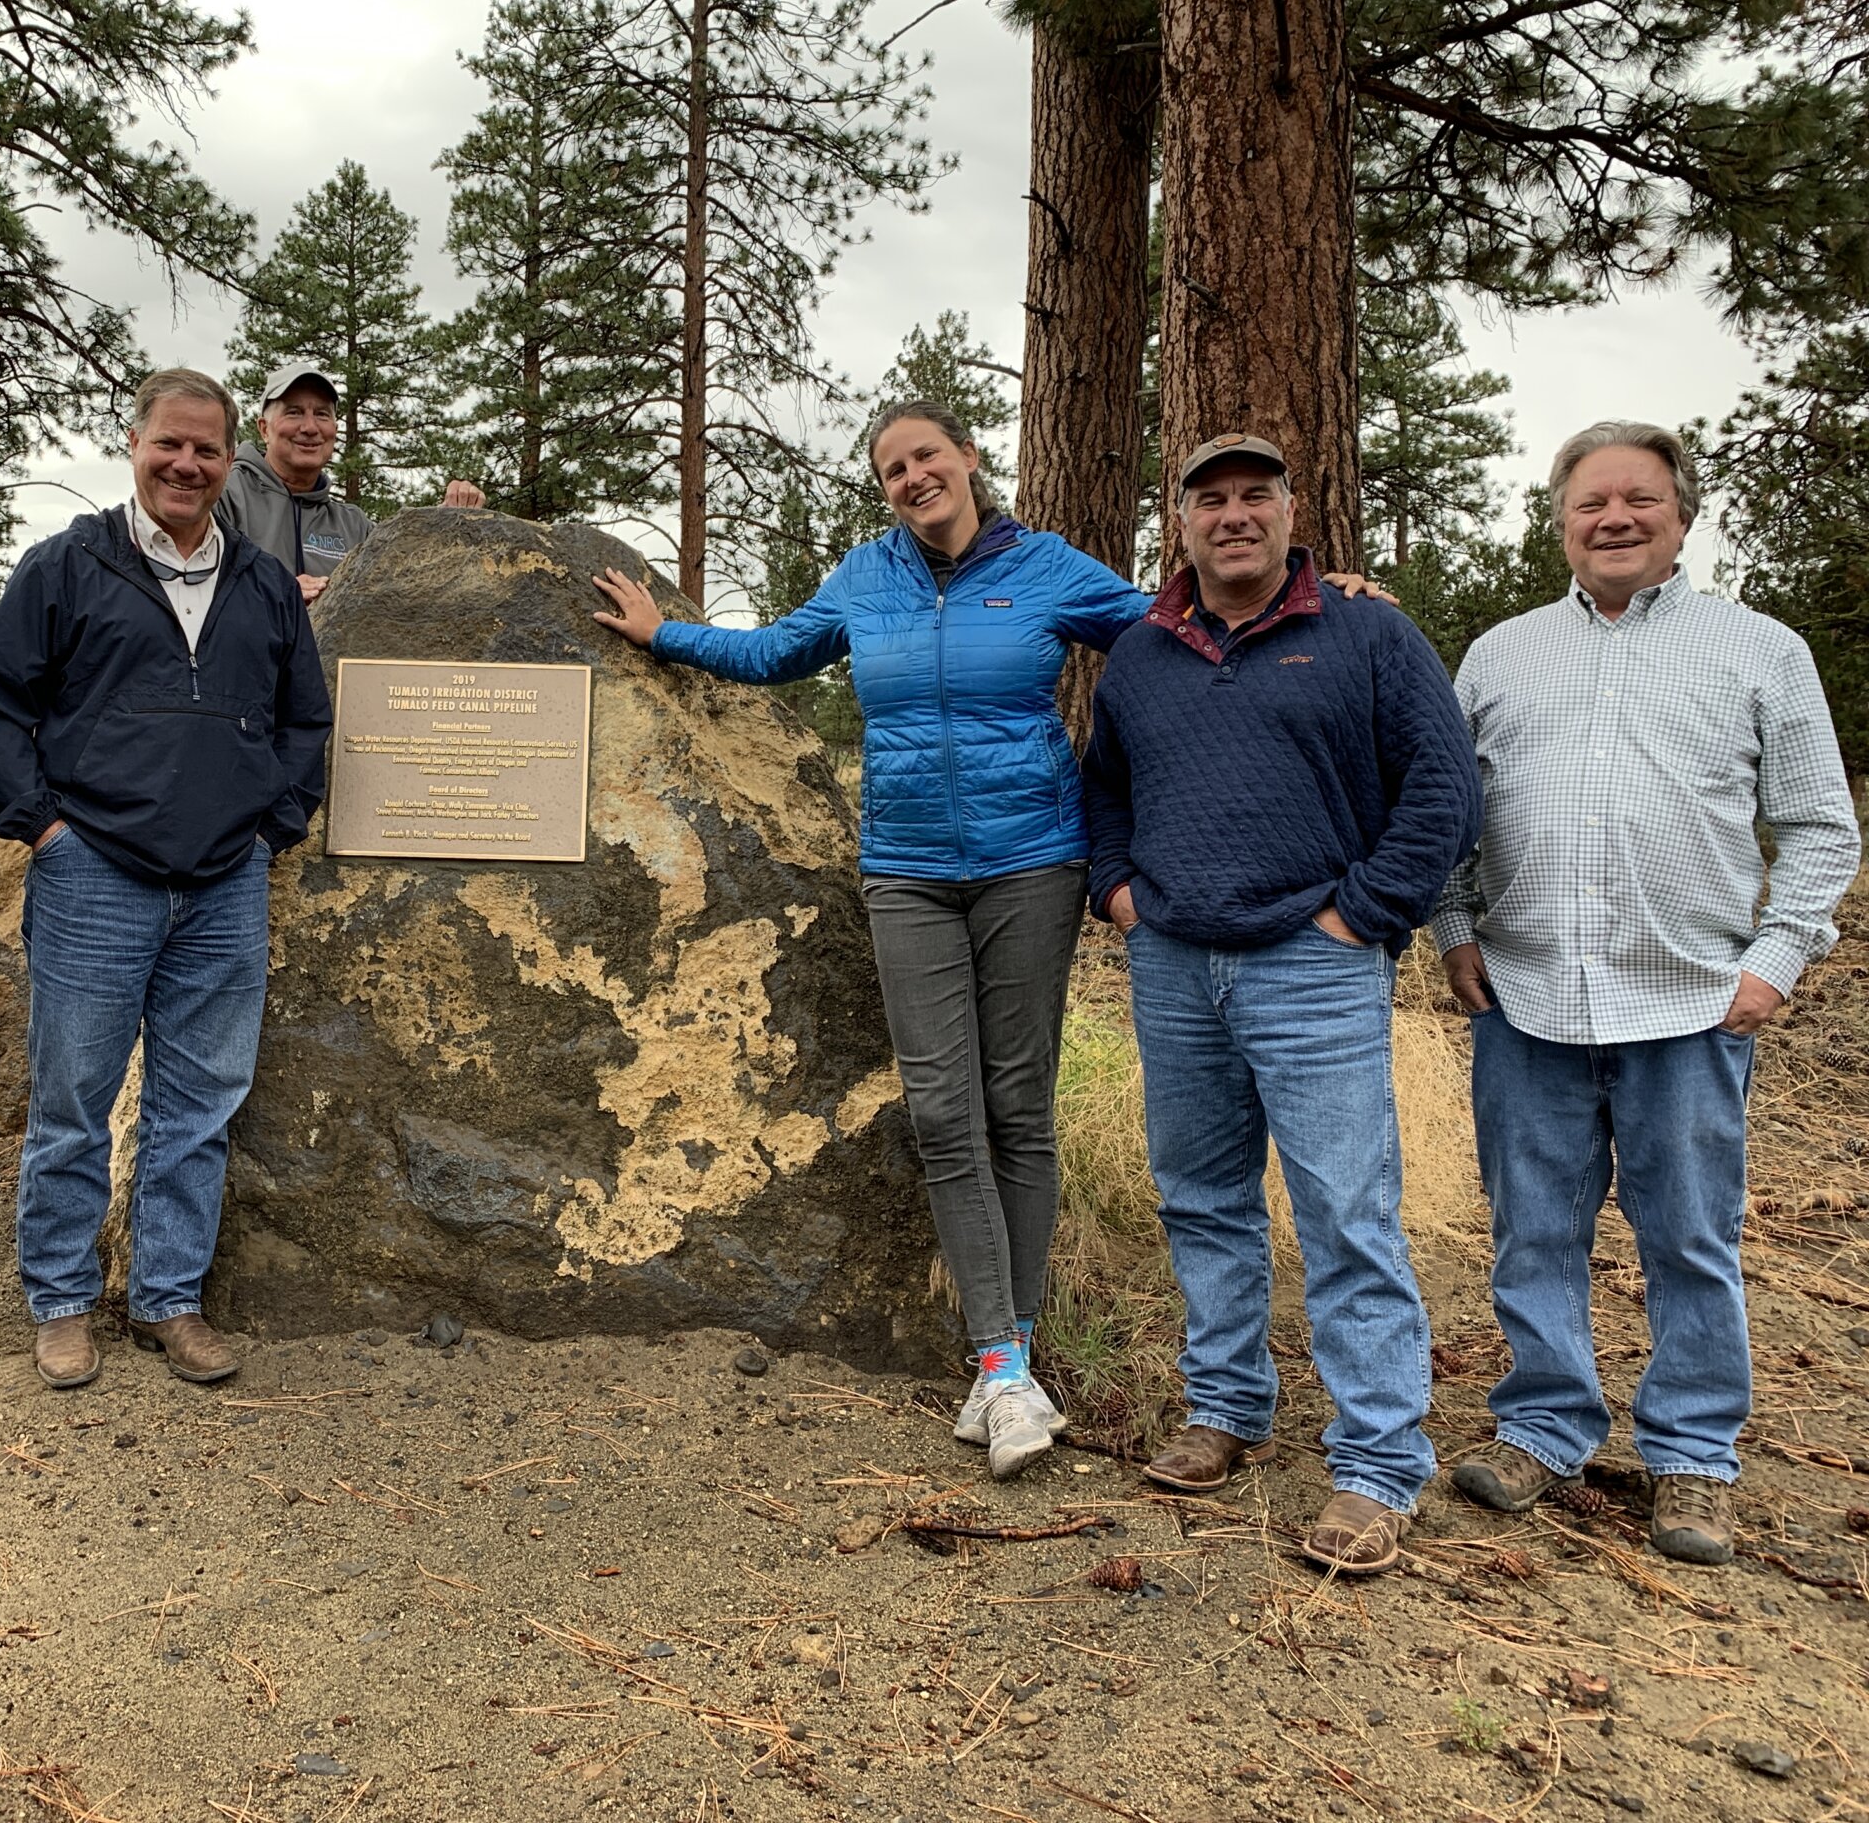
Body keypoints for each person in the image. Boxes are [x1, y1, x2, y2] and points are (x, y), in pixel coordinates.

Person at [592, 403, 1189, 1479]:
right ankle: (1002, 1365)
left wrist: (1304, 607)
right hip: (907, 873)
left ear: (967, 461)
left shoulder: (1047, 569)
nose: (912, 478)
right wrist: (660, 634)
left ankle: (1007, 1358)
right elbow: (776, 652)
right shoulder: (866, 579)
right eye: (891, 469)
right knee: (941, 1113)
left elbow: (1167, 630)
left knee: (1019, 1107)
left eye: (926, 457)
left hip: (1031, 866)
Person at [1433, 420, 1858, 1566]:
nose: (1614, 519)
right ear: (1559, 521)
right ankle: (1542, 1426)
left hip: (1690, 1002)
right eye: (1590, 503)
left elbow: (1820, 828)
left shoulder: (1759, 649)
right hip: (1524, 998)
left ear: (1681, 516)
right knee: (1534, 1231)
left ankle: (1691, 1458)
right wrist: (1455, 928)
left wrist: (1775, 960)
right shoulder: (1499, 654)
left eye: (1640, 501)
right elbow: (1450, 817)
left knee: (1688, 1236)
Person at [1081, 432, 1481, 1575]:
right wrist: (1117, 894)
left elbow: (1445, 786)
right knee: (1201, 1197)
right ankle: (1226, 1408)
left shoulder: (1364, 632)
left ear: (1292, 510)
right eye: (1212, 499)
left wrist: (1363, 914)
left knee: (1346, 1211)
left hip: (1314, 965)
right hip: (1171, 967)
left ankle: (1376, 1465)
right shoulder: (1140, 654)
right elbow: (1101, 783)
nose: (1235, 514)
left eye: (1257, 495)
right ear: (1184, 522)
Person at [0, 367, 333, 1393]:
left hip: (225, 883)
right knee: (74, 1101)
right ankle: (61, 1301)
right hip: (94, 877)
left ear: (229, 461)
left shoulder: (261, 584)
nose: (185, 464)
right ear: (134, 445)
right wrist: (41, 828)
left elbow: (305, 718)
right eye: (168, 444)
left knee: (200, 1102)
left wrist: (273, 828)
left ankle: (170, 1298)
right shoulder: (66, 566)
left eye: (205, 450)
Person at [219, 361, 484, 604]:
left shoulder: (354, 526)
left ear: (334, 429)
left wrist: (449, 518)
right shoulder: (226, 497)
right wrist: (274, 593)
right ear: (264, 428)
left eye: (322, 414)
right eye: (294, 412)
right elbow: (192, 587)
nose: (310, 427)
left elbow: (408, 567)